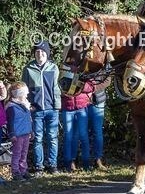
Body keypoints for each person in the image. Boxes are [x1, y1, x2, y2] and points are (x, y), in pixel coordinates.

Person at [22, 41, 60, 174]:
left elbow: (56, 88)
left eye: (42, 52)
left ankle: (53, 165)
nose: (40, 54)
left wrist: (57, 106)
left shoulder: (53, 68)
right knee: (38, 138)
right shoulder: (28, 68)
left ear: (47, 54)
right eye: (37, 52)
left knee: (52, 137)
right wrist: (28, 105)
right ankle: (39, 166)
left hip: (51, 109)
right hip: (36, 109)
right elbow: (24, 90)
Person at [59, 73, 93, 171]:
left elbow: (91, 87)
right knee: (68, 136)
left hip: (82, 107)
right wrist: (64, 89)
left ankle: (86, 163)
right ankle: (68, 164)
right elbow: (58, 87)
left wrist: (80, 84)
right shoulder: (63, 70)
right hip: (67, 107)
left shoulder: (84, 71)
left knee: (83, 135)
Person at [6, 82, 32, 181]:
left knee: (24, 153)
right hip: (17, 135)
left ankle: (23, 170)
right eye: (24, 93)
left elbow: (29, 119)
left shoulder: (25, 104)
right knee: (17, 153)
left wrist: (31, 131)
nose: (26, 95)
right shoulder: (11, 107)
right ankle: (16, 172)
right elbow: (10, 122)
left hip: (26, 133)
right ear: (18, 94)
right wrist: (12, 134)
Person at [87, 78, 109, 170]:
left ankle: (98, 159)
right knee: (80, 132)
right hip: (80, 100)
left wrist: (92, 89)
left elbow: (107, 80)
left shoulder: (103, 63)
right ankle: (82, 160)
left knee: (97, 131)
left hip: (97, 100)